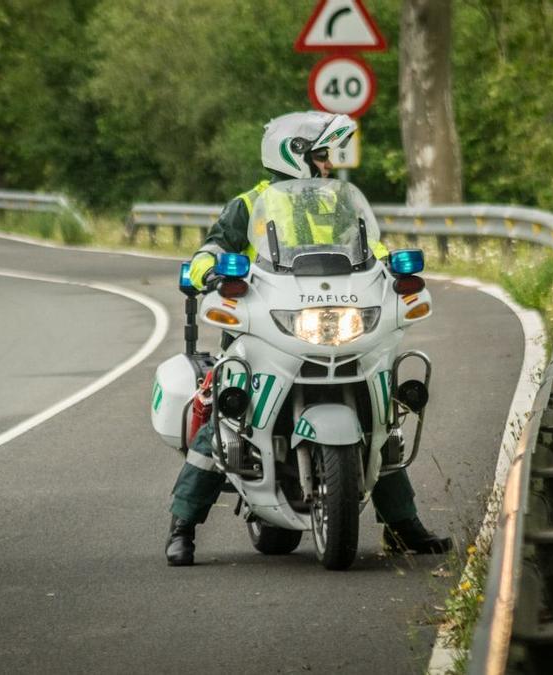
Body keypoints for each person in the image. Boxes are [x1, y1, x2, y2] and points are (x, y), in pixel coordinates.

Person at [165, 111, 453, 566]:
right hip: (265, 326)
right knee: (223, 416)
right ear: (294, 156)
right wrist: (207, 270)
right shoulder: (249, 204)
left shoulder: (336, 204)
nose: (328, 165)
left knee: (380, 419)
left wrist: (392, 267)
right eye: (321, 156)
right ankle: (182, 526)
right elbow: (214, 247)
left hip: (330, 320)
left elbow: (372, 250)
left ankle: (403, 527)